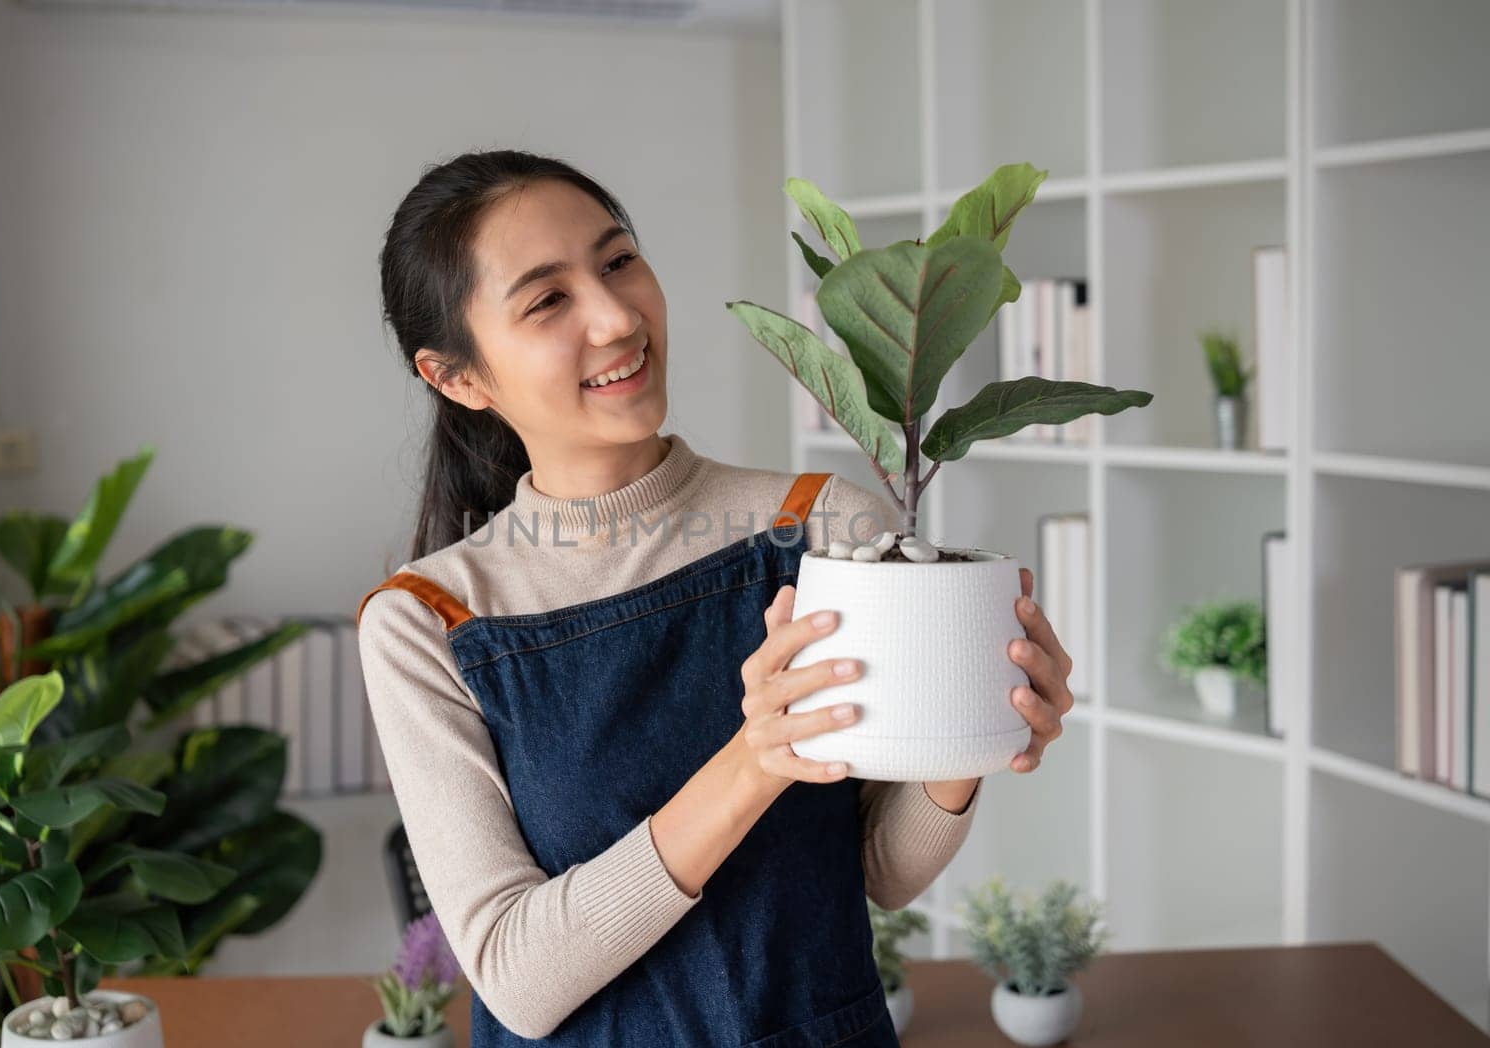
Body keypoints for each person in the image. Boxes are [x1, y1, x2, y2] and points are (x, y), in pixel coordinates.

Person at [356, 149, 1074, 1046]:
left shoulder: (820, 526)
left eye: (618, 261)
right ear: (457, 377)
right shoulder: (429, 620)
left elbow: (879, 869)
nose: (618, 317)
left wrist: (980, 728)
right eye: (548, 300)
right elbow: (517, 978)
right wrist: (755, 762)